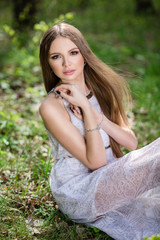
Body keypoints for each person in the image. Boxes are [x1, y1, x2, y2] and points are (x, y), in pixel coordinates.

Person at [39, 23, 160, 240]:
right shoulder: (51, 106)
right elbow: (95, 163)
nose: (67, 63)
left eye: (73, 53)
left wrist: (98, 117)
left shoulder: (101, 89)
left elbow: (130, 142)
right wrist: (85, 109)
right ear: (48, 64)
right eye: (56, 57)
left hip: (111, 175)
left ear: (84, 55)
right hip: (80, 191)